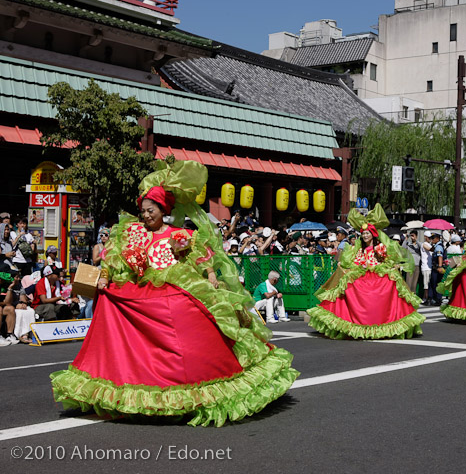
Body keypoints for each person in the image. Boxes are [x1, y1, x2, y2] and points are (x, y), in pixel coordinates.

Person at [50, 160, 299, 427]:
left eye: (151, 210)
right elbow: (112, 260)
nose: (146, 216)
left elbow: (202, 257)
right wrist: (104, 279)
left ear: (163, 209)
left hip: (174, 294)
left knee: (194, 332)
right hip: (137, 297)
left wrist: (212, 276)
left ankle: (194, 389)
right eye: (143, 211)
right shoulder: (131, 233)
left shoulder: (178, 235)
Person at [307, 204, 424, 339]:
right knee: (348, 285)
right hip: (362, 276)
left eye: (367, 233)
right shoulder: (359, 249)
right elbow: (355, 262)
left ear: (373, 235)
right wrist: (346, 266)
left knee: (390, 283)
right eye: (363, 234)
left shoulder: (379, 247)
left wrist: (392, 266)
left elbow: (385, 261)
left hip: (377, 275)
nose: (365, 236)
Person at [402, 230, 421, 295]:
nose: (412, 237)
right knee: (408, 282)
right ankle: (408, 295)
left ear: (416, 236)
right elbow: (403, 248)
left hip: (417, 265)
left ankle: (413, 295)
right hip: (410, 265)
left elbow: (421, 247)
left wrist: (416, 240)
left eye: (413, 236)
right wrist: (406, 239)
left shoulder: (418, 244)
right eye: (411, 236)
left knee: (414, 282)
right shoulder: (408, 244)